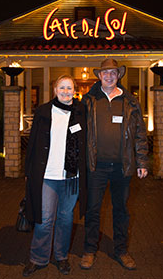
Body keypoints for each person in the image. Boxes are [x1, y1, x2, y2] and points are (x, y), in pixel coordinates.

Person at [80, 58, 148, 271]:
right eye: (105, 72)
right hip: (96, 166)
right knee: (92, 210)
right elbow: (77, 130)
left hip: (122, 167)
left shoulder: (130, 101)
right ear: (99, 76)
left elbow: (139, 134)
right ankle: (89, 250)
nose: (109, 76)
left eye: (113, 72)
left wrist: (142, 161)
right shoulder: (88, 100)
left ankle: (121, 250)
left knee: (121, 211)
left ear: (119, 75)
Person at [23, 75, 86, 277]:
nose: (66, 91)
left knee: (66, 220)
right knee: (44, 220)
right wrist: (28, 173)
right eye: (62, 87)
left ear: (74, 90)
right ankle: (38, 258)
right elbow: (32, 144)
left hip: (71, 177)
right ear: (55, 89)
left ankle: (61, 257)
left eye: (70, 88)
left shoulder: (81, 111)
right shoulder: (43, 111)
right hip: (47, 176)